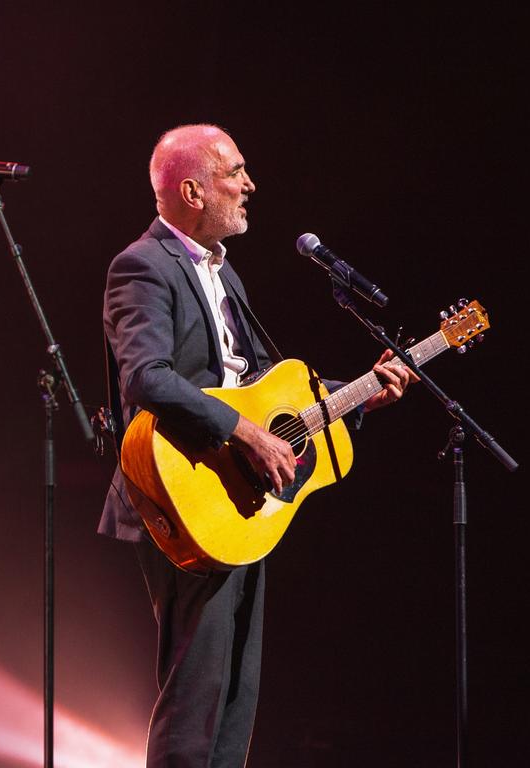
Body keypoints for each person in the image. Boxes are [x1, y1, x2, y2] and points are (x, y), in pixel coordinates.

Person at [101, 124, 414, 768]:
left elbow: (266, 390)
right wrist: (241, 432)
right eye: (235, 172)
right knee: (196, 692)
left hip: (236, 496)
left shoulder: (225, 275)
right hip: (182, 490)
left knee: (237, 692)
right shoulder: (143, 265)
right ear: (192, 190)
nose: (250, 185)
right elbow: (145, 377)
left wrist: (360, 393)